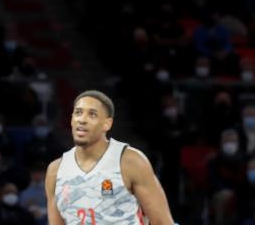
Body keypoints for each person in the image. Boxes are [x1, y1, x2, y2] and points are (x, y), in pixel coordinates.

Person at [45, 91, 174, 224]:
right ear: (72, 119)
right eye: (78, 112)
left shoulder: (131, 162)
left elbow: (163, 222)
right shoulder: (55, 170)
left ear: (107, 124)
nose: (82, 120)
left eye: (92, 114)